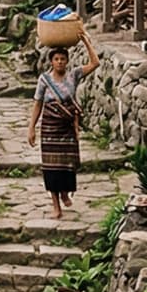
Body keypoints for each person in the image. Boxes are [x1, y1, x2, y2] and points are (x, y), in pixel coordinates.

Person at [27, 36, 100, 219]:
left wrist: (85, 41)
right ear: (51, 61)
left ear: (67, 61)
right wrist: (31, 128)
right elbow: (38, 104)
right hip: (50, 128)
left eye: (62, 59)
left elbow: (95, 63)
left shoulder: (73, 75)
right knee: (51, 167)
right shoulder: (44, 80)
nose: (59, 62)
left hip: (67, 127)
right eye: (56, 59)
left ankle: (65, 192)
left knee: (68, 164)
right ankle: (56, 206)